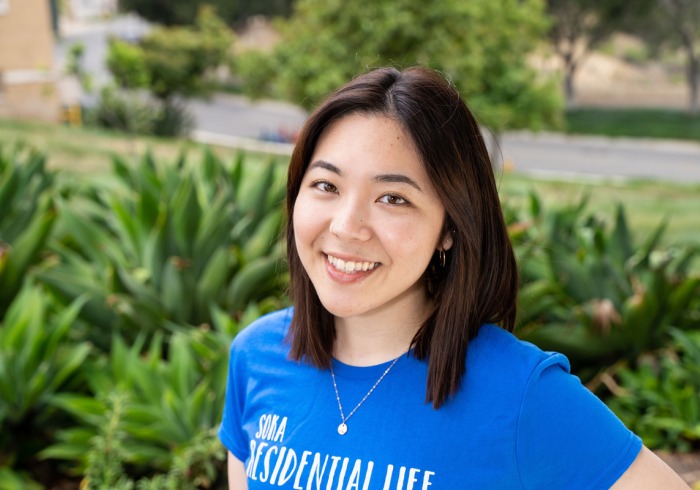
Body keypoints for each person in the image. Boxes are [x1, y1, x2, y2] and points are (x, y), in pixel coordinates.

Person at [218, 66, 689, 489]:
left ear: (449, 228)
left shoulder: (522, 394)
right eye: (326, 185)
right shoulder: (255, 357)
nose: (345, 226)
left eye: (393, 198)